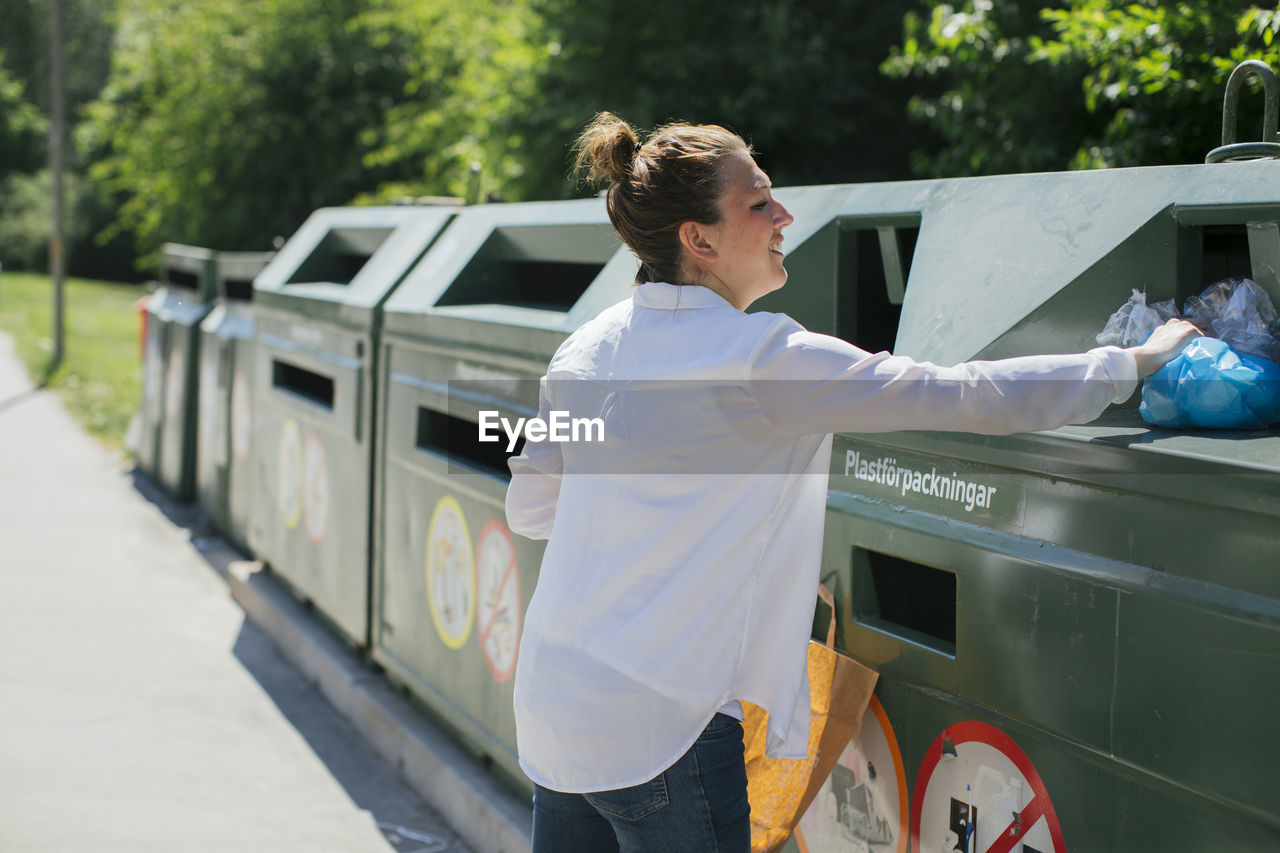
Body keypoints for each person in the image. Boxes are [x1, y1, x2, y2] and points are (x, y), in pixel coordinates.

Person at [504, 112, 1200, 852]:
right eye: (759, 202)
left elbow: (533, 501)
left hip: (557, 709)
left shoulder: (587, 351)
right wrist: (1128, 363)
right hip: (663, 729)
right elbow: (956, 393)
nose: (785, 215)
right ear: (698, 239)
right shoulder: (760, 362)